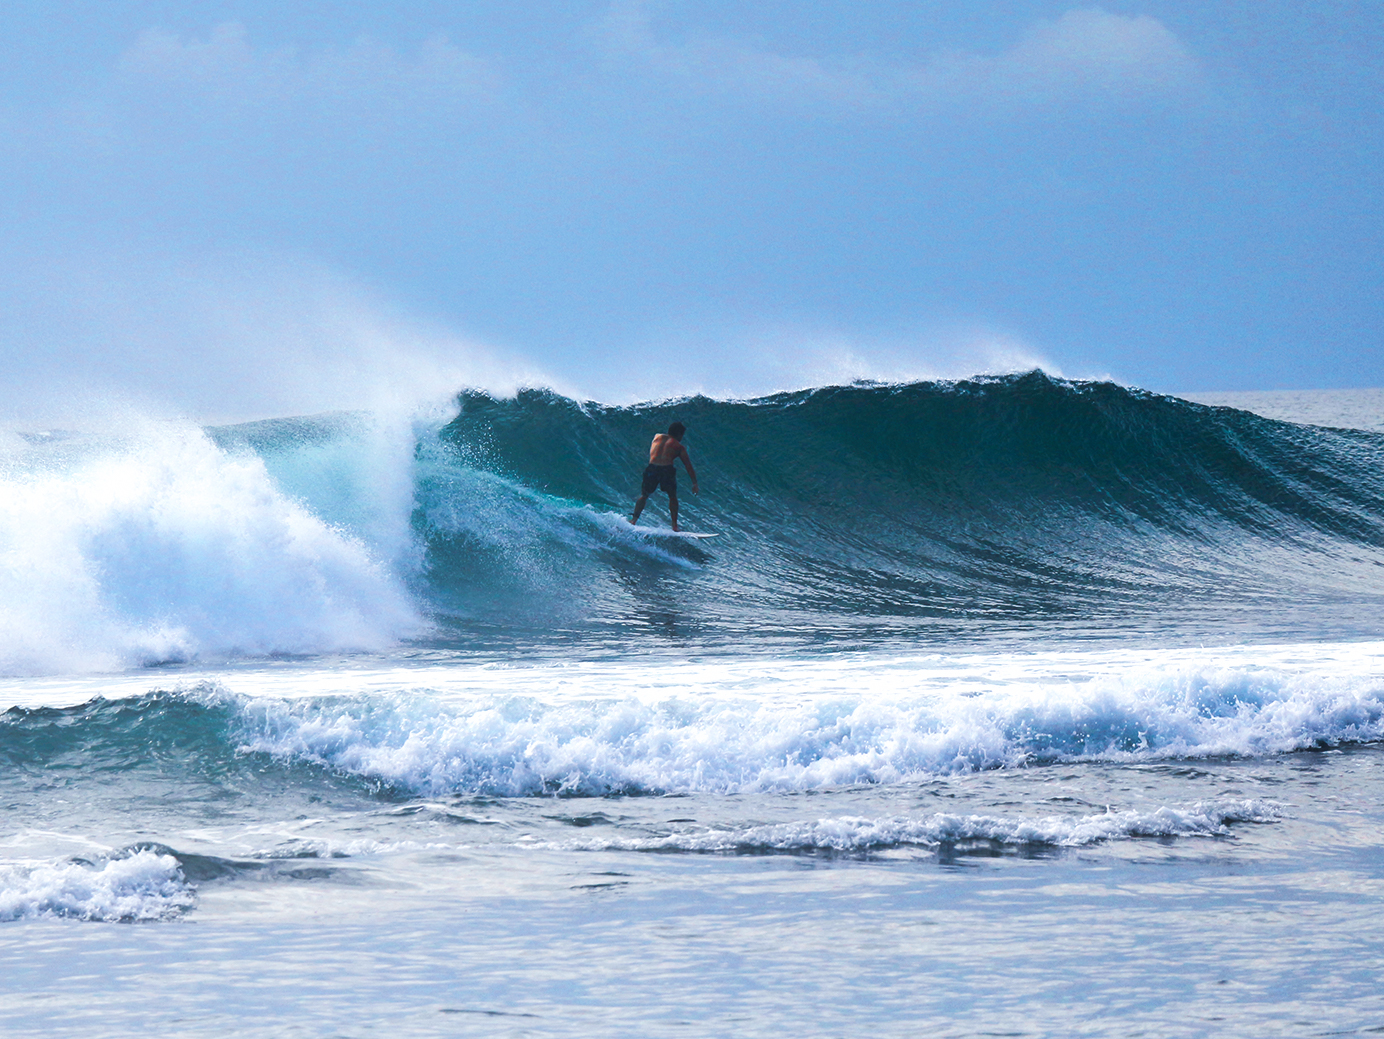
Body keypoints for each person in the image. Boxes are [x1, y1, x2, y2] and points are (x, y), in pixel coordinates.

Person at [631, 421, 699, 531]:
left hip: (652, 468)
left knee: (644, 495)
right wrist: (694, 483)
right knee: (672, 497)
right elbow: (688, 465)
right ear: (679, 434)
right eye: (681, 435)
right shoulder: (679, 447)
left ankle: (633, 520)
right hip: (666, 470)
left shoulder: (656, 437)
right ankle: (674, 526)